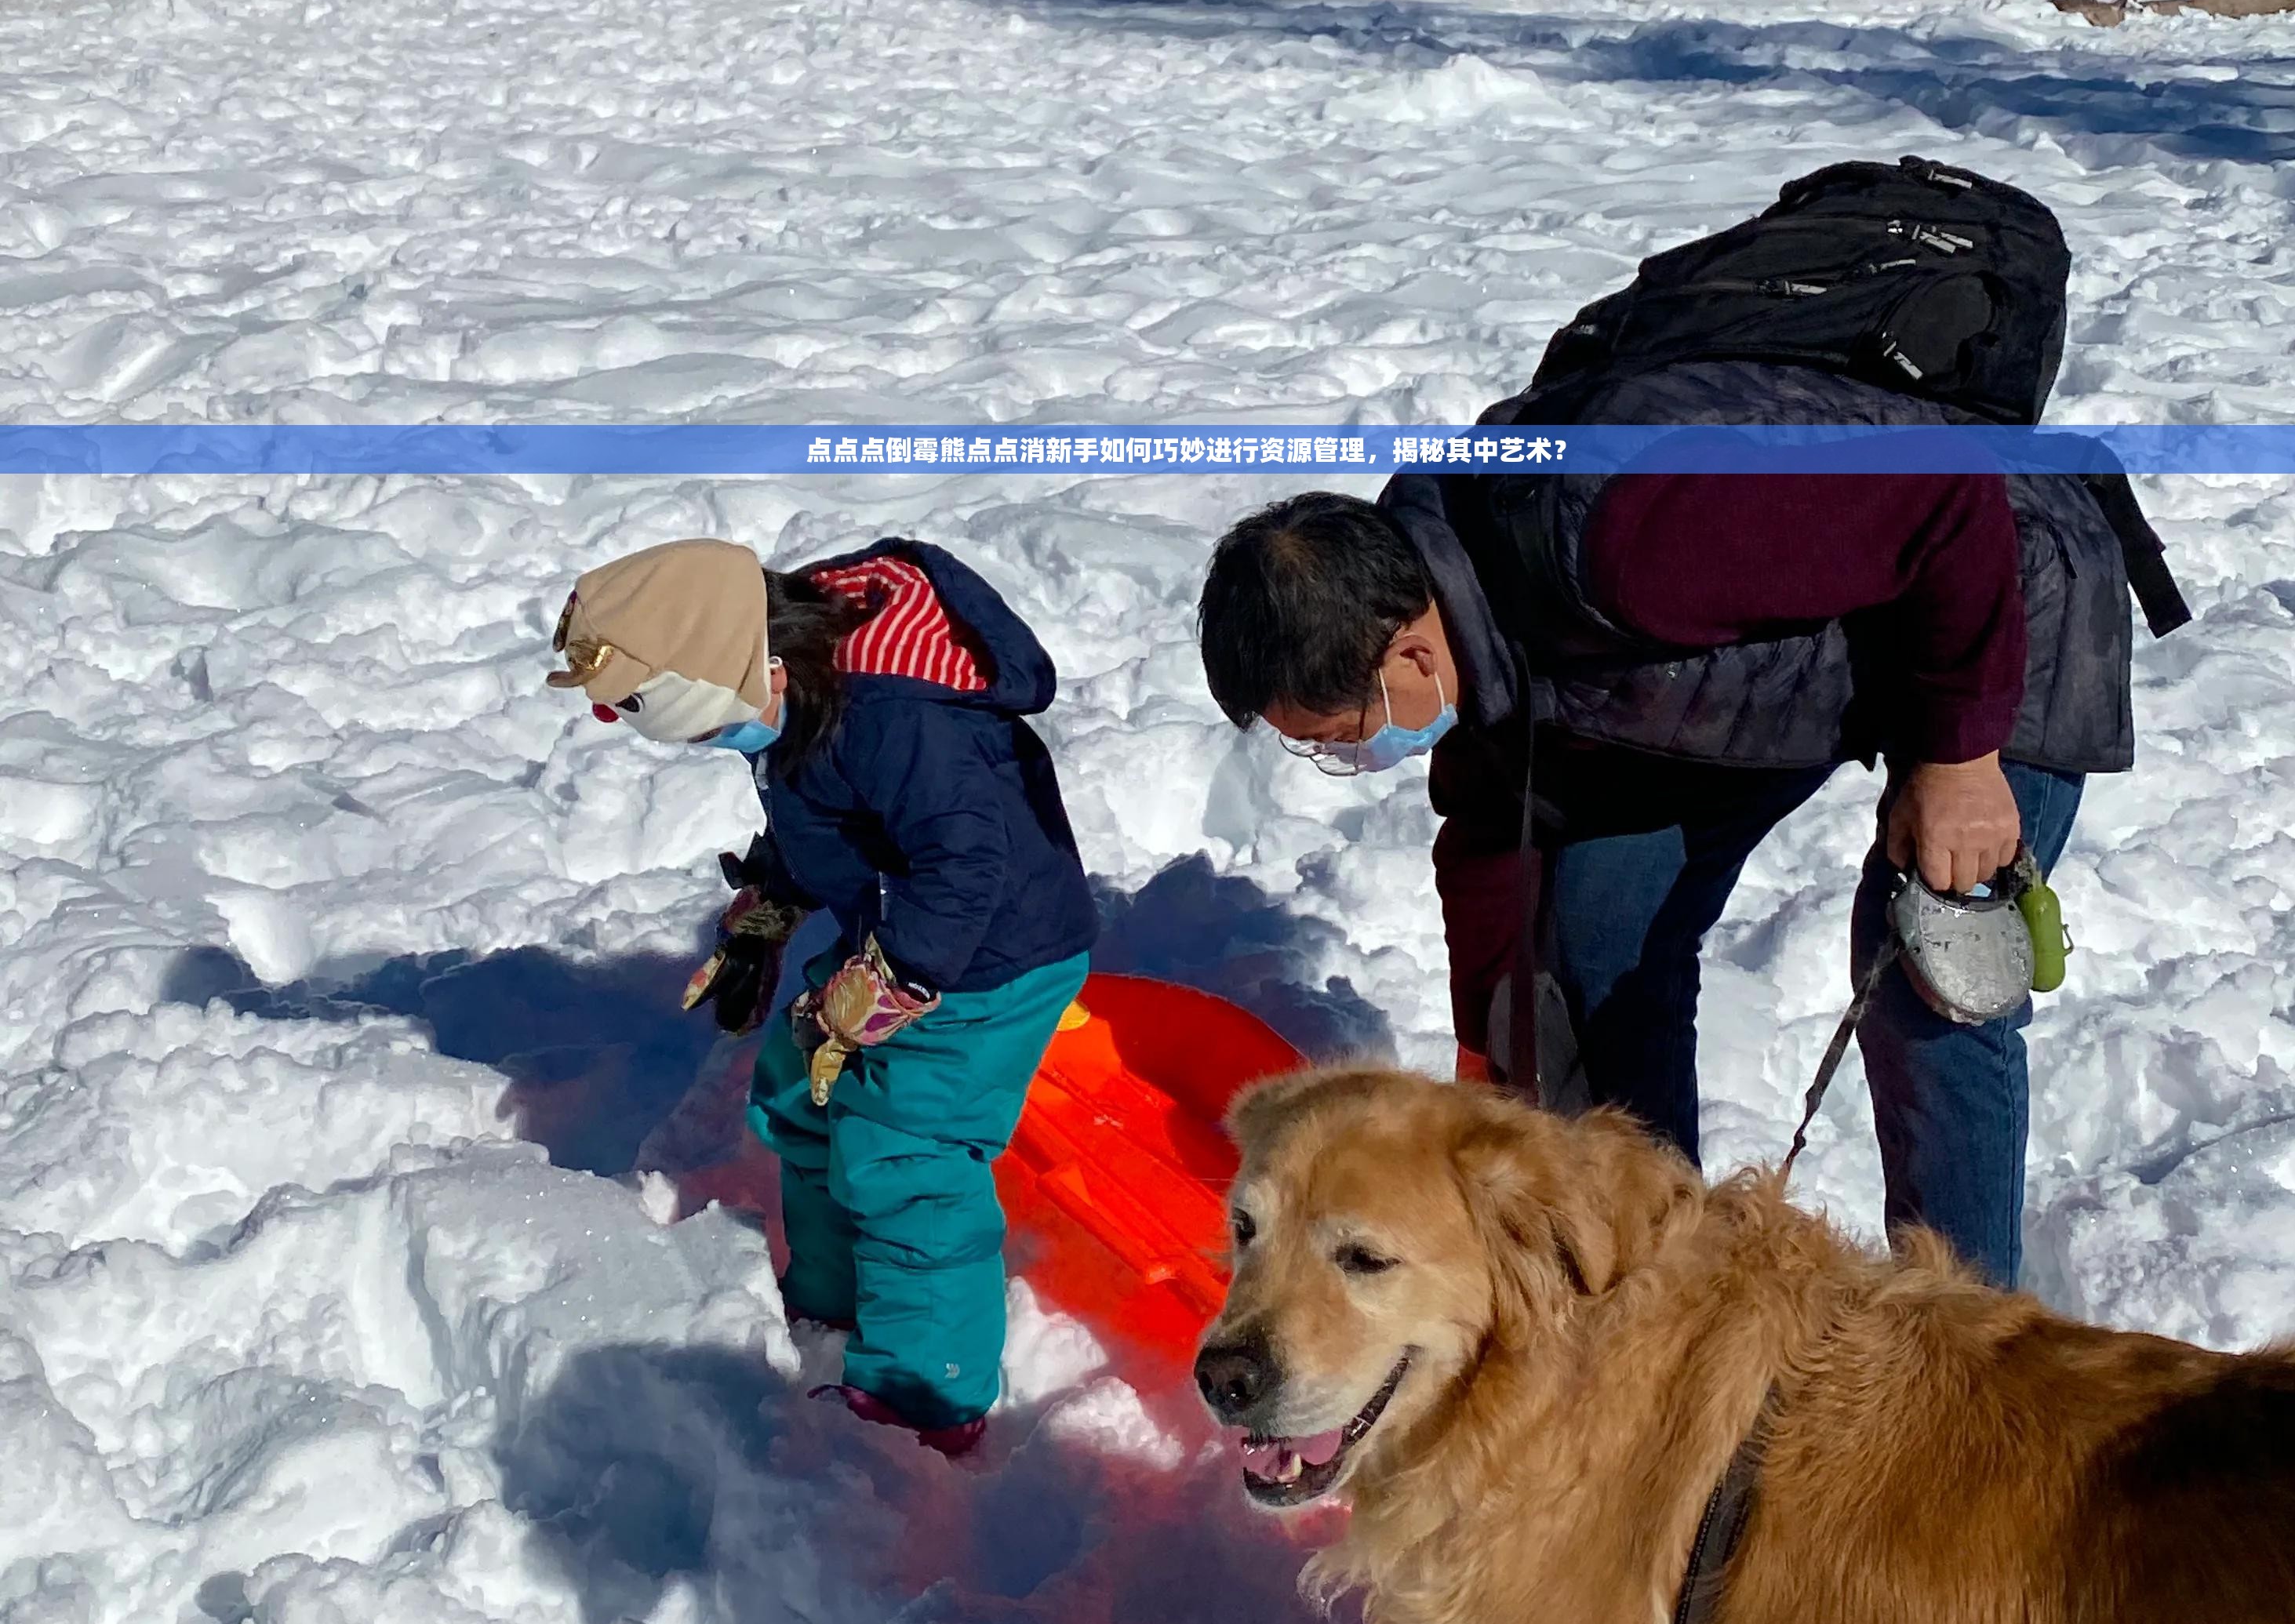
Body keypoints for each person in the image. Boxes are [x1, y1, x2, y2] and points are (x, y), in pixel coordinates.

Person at [1196, 417, 2137, 1290]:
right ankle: (1665, 1284)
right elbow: (1496, 837)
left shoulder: (1620, 533)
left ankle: (1964, 1335)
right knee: (1599, 923)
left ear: (1408, 659)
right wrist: (1491, 1065)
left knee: (1929, 972)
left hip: (1998, 588)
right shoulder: (1455, 609)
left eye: (1339, 736)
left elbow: (1945, 490)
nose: (1351, 760)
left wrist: (1962, 758)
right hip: (1774, 665)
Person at [547, 534, 1094, 1455]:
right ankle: (835, 1301)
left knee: (910, 1157)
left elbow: (967, 864)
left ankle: (927, 1393)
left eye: (705, 730)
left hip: (988, 960)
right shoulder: (783, 694)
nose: (717, 746)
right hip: (896, 931)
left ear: (746, 669)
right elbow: (824, 816)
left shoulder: (896, 719)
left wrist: (896, 980)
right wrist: (771, 902)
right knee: (802, 1098)